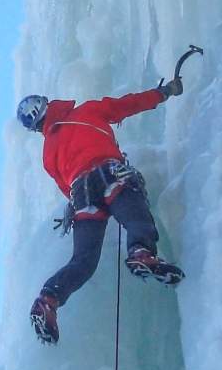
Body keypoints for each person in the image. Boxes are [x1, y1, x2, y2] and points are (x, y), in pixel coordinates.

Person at [17, 78, 186, 345]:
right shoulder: (86, 111)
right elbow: (127, 105)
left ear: (36, 127)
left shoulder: (48, 154)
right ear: (47, 103)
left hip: (82, 192)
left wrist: (78, 208)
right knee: (134, 216)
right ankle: (141, 252)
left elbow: (66, 187)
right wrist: (163, 92)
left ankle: (48, 299)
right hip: (110, 174)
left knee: (83, 260)